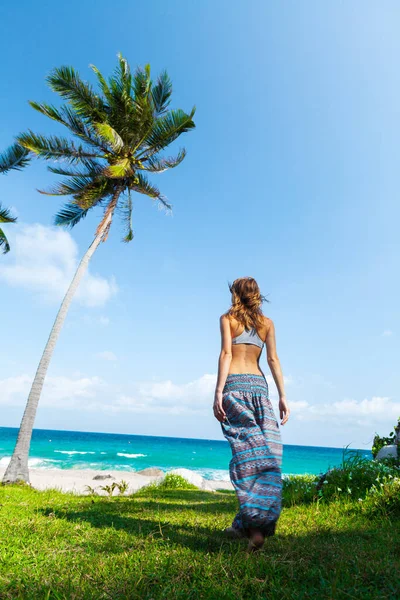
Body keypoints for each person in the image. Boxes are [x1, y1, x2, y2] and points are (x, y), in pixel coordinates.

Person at [213, 277, 290, 552]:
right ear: (257, 295)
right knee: (266, 455)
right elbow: (272, 360)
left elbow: (225, 354)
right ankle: (247, 524)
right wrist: (282, 395)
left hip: (234, 387)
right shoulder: (266, 323)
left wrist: (218, 392)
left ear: (235, 294)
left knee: (246, 456)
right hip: (259, 389)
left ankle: (253, 529)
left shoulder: (227, 319)